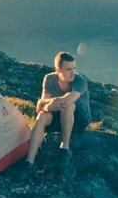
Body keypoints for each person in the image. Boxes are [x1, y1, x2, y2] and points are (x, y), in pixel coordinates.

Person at [20, 51, 90, 179]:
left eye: (74, 68)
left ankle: (65, 148)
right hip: (58, 117)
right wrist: (46, 106)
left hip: (79, 120)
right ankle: (29, 161)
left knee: (68, 105)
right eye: (68, 69)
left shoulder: (80, 81)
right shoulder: (49, 79)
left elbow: (65, 101)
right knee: (42, 116)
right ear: (58, 70)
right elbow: (41, 108)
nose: (73, 72)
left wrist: (46, 104)